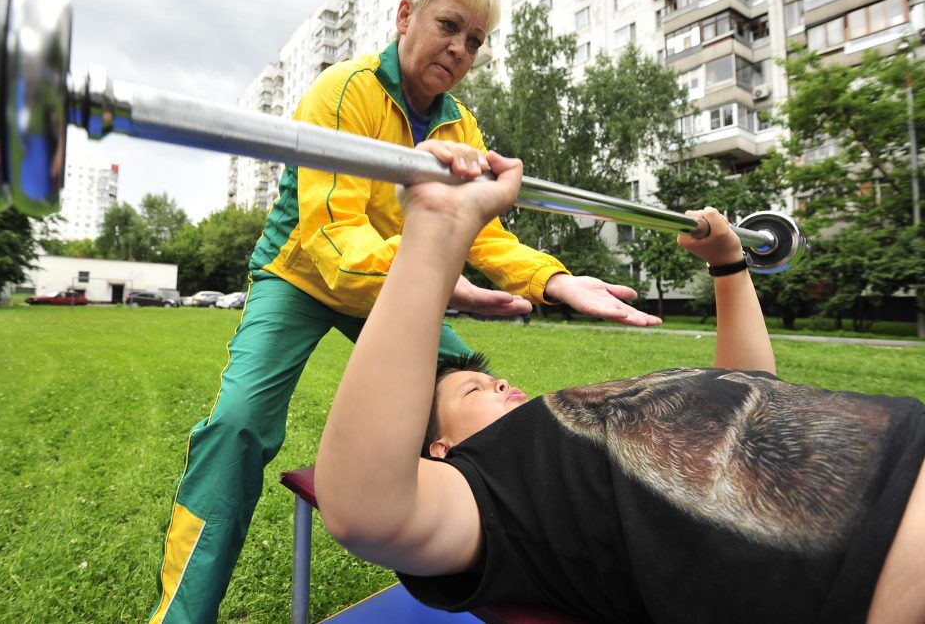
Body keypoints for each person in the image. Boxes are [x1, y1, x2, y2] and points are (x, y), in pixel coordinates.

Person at [148, 0, 659, 623]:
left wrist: (555, 280)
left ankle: (518, 559)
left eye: (475, 40)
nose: (460, 48)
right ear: (405, 17)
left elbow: (487, 237)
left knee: (482, 405)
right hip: (300, 275)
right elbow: (333, 231)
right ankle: (180, 618)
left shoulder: (460, 128)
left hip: (399, 280)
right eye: (449, 25)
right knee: (237, 426)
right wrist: (435, 284)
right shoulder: (343, 89)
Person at [315, 155, 925, 623]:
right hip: (883, 549)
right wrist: (438, 229)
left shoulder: (578, 421)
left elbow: (745, 386)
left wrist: (728, 265)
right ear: (439, 451)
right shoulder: (491, 494)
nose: (501, 381)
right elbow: (365, 506)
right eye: (475, 390)